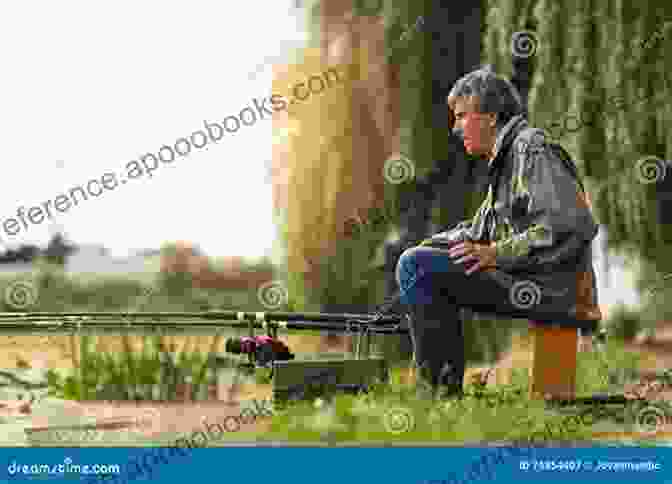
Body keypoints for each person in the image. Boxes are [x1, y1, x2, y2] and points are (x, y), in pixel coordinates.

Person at [395, 66, 602, 400]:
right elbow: (475, 230)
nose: (455, 128)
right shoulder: (504, 162)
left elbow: (568, 226)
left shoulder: (529, 150)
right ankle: (441, 390)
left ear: (491, 115)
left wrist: (494, 253)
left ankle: (437, 393)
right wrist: (434, 245)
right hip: (532, 282)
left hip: (552, 288)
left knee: (416, 267)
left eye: (462, 116)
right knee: (422, 263)